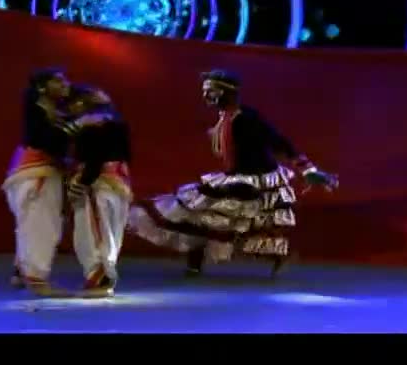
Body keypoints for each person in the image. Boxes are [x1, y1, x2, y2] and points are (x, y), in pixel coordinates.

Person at [127, 69, 338, 278]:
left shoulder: (247, 118)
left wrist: (308, 169)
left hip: (254, 179)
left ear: (226, 93)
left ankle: (278, 257)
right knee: (197, 213)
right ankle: (195, 262)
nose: (205, 96)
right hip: (234, 175)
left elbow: (278, 141)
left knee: (241, 223)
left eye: (210, 91)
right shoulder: (226, 117)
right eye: (204, 91)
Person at [2, 68, 106, 297]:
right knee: (41, 225)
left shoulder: (50, 113)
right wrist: (81, 123)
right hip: (36, 173)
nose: (65, 83)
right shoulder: (38, 112)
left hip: (35, 172)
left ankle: (23, 272)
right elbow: (48, 141)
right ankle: (37, 280)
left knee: (34, 224)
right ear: (42, 87)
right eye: (58, 80)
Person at [65, 85, 132, 298]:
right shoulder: (118, 123)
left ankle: (100, 277)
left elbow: (94, 158)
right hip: (120, 182)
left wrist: (82, 182)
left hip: (98, 183)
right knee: (112, 231)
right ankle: (105, 274)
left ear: (80, 103)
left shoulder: (91, 126)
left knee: (93, 231)